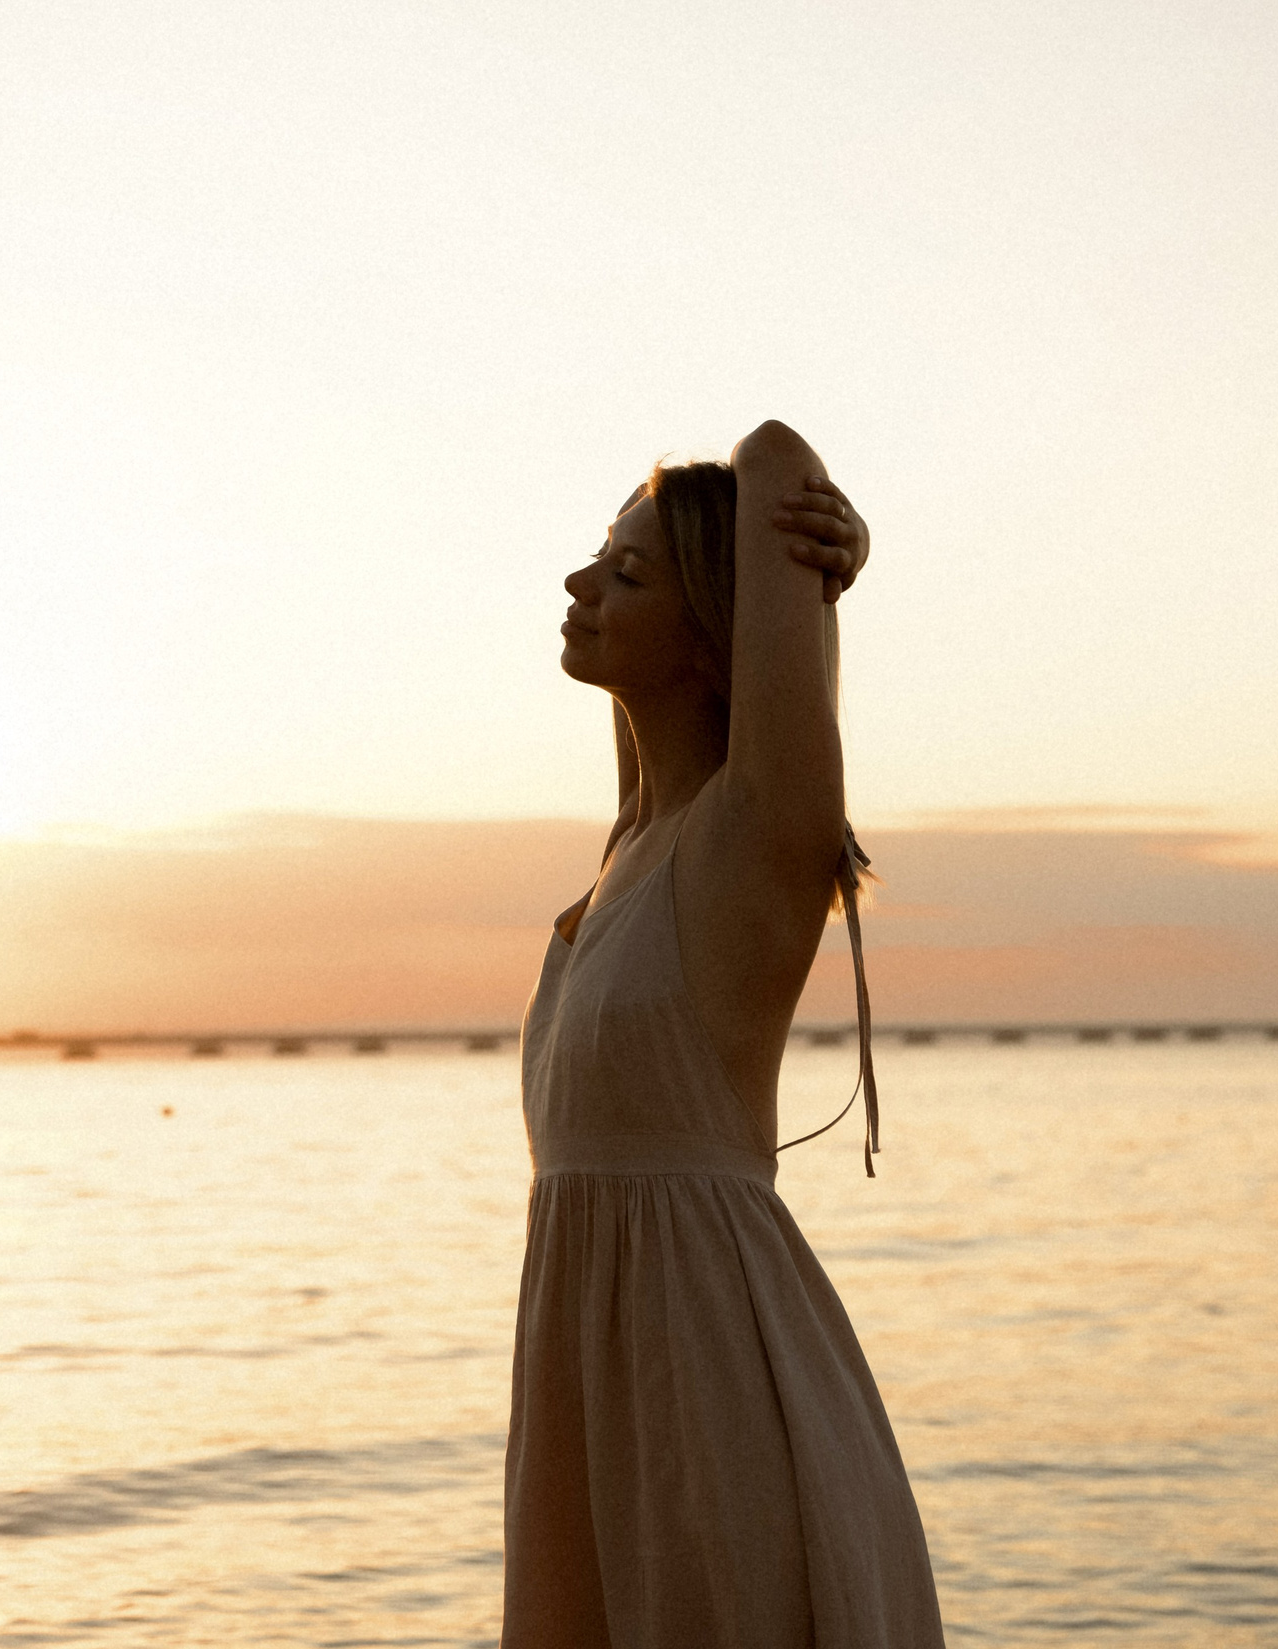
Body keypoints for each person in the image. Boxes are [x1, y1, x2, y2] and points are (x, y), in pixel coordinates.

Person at [502, 420, 946, 1645]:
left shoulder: (752, 836)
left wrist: (827, 554)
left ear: (713, 634)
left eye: (627, 572)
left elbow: (773, 454)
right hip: (590, 1374)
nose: (580, 583)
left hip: (707, 1370)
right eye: (600, 556)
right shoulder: (630, 842)